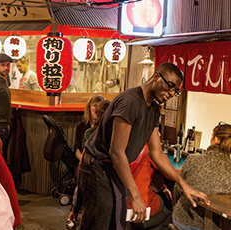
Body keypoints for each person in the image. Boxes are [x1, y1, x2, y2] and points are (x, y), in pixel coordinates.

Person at [78, 63, 209, 230]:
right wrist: (136, 195)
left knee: (115, 222)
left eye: (175, 91)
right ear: (155, 76)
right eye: (169, 86)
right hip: (98, 166)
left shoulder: (153, 109)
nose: (171, 93)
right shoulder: (131, 102)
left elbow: (157, 153)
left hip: (112, 169)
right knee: (99, 222)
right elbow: (117, 152)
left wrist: (183, 185)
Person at [172, 122, 231, 230]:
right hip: (217, 226)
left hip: (185, 220)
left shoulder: (193, 159)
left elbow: (177, 189)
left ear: (216, 139)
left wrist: (175, 207)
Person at [67, 100, 111, 230]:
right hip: (95, 175)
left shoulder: (95, 134)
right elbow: (78, 151)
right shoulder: (89, 132)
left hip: (88, 172)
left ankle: (75, 213)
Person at [126, 144, 173, 230]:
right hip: (142, 206)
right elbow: (170, 174)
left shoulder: (122, 148)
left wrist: (163, 187)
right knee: (168, 204)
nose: (158, 134)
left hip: (122, 205)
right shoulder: (149, 151)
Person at [75, 95, 105, 161]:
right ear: (89, 108)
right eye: (95, 106)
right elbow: (77, 150)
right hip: (84, 162)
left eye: (99, 107)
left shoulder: (104, 127)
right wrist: (84, 162)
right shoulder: (81, 126)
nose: (97, 109)